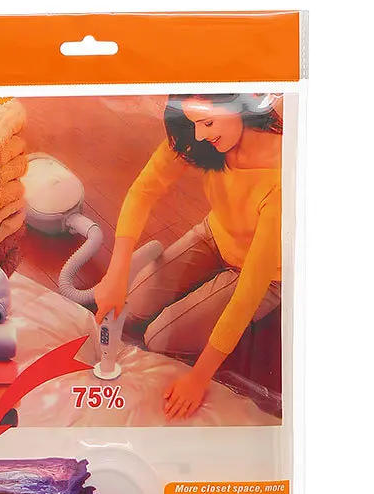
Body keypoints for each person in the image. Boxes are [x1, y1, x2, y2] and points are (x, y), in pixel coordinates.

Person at [94, 93, 283, 420]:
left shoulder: (283, 177)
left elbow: (248, 293)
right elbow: (144, 191)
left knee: (159, 338)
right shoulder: (203, 135)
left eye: (207, 122)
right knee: (134, 305)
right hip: (215, 233)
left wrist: (198, 378)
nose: (198, 134)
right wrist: (116, 273)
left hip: (266, 274)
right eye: (193, 122)